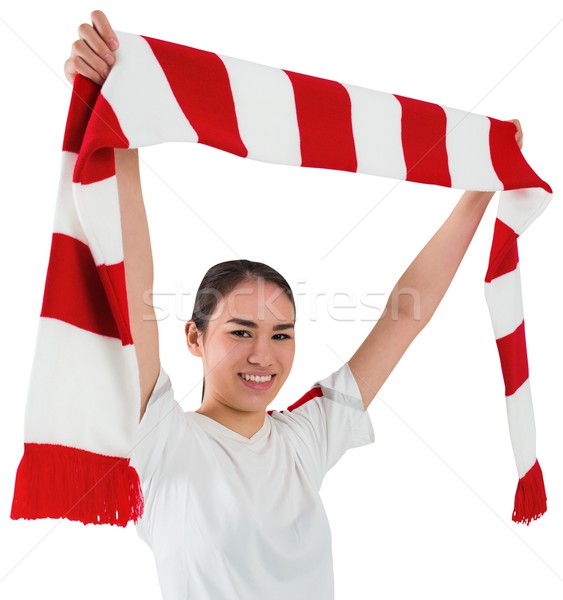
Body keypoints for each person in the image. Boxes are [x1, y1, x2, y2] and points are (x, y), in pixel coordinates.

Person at [64, 10, 524, 600]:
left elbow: (407, 314)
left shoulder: (305, 437)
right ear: (194, 338)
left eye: (282, 334)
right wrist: (119, 119)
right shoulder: (160, 442)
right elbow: (132, 284)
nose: (265, 354)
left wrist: (482, 183)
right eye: (241, 330)